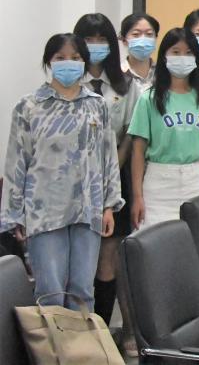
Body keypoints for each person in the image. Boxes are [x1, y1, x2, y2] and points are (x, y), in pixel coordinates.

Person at [2, 34, 122, 311]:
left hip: (88, 210)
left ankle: (80, 340)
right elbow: (16, 161)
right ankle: (52, 341)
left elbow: (108, 158)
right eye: (60, 58)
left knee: (83, 291)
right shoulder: (29, 106)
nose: (68, 63)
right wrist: (14, 214)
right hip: (44, 212)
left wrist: (109, 205)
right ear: (48, 62)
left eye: (75, 58)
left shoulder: (97, 104)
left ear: (84, 62)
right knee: (50, 292)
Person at [74, 13, 137, 324]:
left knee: (107, 260)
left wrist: (112, 170)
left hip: (115, 179)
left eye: (102, 40)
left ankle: (101, 329)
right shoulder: (70, 83)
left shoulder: (125, 85)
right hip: (76, 181)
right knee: (79, 259)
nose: (95, 46)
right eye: (89, 39)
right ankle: (76, 329)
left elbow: (129, 135)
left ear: (112, 44)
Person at [128, 28, 199, 231]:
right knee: (156, 241)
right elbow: (137, 150)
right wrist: (137, 196)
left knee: (196, 241)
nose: (182, 57)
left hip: (196, 181)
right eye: (176, 52)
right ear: (164, 56)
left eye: (188, 53)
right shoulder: (148, 99)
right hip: (158, 182)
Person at [120, 12, 159, 86]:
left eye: (149, 34)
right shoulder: (117, 74)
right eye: (136, 34)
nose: (143, 39)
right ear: (124, 40)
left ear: (155, 38)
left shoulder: (164, 73)